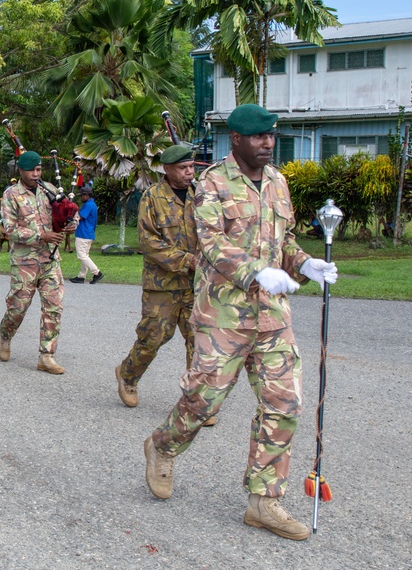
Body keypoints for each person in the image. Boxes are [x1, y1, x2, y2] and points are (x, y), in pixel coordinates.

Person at [143, 104, 339, 541]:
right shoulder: (211, 182)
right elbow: (210, 242)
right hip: (223, 316)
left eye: (271, 136)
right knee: (203, 403)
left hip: (272, 317)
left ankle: (264, 501)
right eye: (258, 137)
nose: (267, 143)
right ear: (236, 139)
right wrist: (254, 271)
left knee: (284, 404)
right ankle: (162, 446)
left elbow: (282, 240)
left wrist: (306, 264)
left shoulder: (278, 182)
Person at [115, 144, 201, 409]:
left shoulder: (201, 196)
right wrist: (187, 261)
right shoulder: (152, 197)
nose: (189, 173)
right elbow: (148, 241)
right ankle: (127, 375)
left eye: (191, 167)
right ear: (167, 169)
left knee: (199, 340)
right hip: (162, 284)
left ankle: (195, 399)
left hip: (198, 284)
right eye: (183, 168)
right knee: (154, 337)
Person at [0, 150, 74, 375]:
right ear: (20, 171)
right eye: (31, 170)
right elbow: (9, 229)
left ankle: (46, 356)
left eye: (39, 169)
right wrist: (41, 234)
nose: (36, 173)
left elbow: (66, 211)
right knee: (18, 308)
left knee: (54, 306)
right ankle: (5, 334)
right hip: (24, 262)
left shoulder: (49, 189)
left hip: (50, 260)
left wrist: (71, 223)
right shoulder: (11, 195)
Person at [69, 182, 102, 284]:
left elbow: (80, 217)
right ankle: (81, 276)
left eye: (82, 196)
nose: (81, 198)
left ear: (87, 195)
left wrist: (72, 216)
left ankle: (96, 272)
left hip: (83, 233)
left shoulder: (88, 205)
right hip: (88, 233)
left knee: (81, 256)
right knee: (85, 255)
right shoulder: (92, 204)